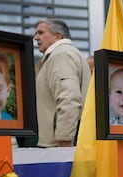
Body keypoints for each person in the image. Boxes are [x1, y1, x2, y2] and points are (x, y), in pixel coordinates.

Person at [34, 18, 90, 147]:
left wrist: (64, 139)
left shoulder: (61, 55)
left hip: (59, 145)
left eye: (41, 33)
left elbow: (69, 98)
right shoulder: (60, 55)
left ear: (58, 36)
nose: (36, 38)